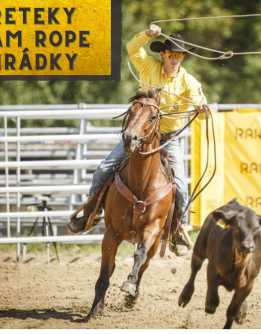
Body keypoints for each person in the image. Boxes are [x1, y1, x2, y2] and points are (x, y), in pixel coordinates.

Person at [67, 24, 208, 257]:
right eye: (171, 55)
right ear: (162, 54)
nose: (175, 59)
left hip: (167, 140)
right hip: (140, 136)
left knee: (181, 187)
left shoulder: (189, 82)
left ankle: (176, 232)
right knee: (103, 169)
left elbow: (199, 104)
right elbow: (132, 48)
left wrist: (202, 108)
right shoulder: (147, 66)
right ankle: (90, 214)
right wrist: (147, 34)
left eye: (179, 55)